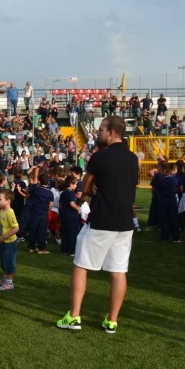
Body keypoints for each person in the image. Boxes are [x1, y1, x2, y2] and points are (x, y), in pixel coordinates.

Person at [57, 116, 138, 334]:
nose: (98, 133)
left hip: (102, 219)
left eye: (101, 129)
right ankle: (112, 320)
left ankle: (74, 316)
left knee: (81, 265)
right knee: (118, 271)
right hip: (125, 222)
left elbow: (85, 188)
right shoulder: (132, 158)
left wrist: (87, 195)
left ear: (111, 132)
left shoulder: (100, 156)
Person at [0, 189, 19, 291]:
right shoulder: (1, 210)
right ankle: (4, 280)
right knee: (4, 261)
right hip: (3, 242)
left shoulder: (10, 212)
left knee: (9, 262)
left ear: (8, 201)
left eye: (0, 199)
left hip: (9, 243)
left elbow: (16, 228)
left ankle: (9, 283)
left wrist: (4, 237)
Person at [58, 176, 81, 255]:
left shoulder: (63, 193)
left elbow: (60, 204)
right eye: (75, 184)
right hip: (71, 215)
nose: (76, 186)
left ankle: (64, 250)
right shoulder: (71, 193)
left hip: (64, 215)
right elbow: (72, 203)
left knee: (65, 233)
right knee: (73, 233)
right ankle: (72, 251)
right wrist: (78, 209)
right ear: (71, 184)